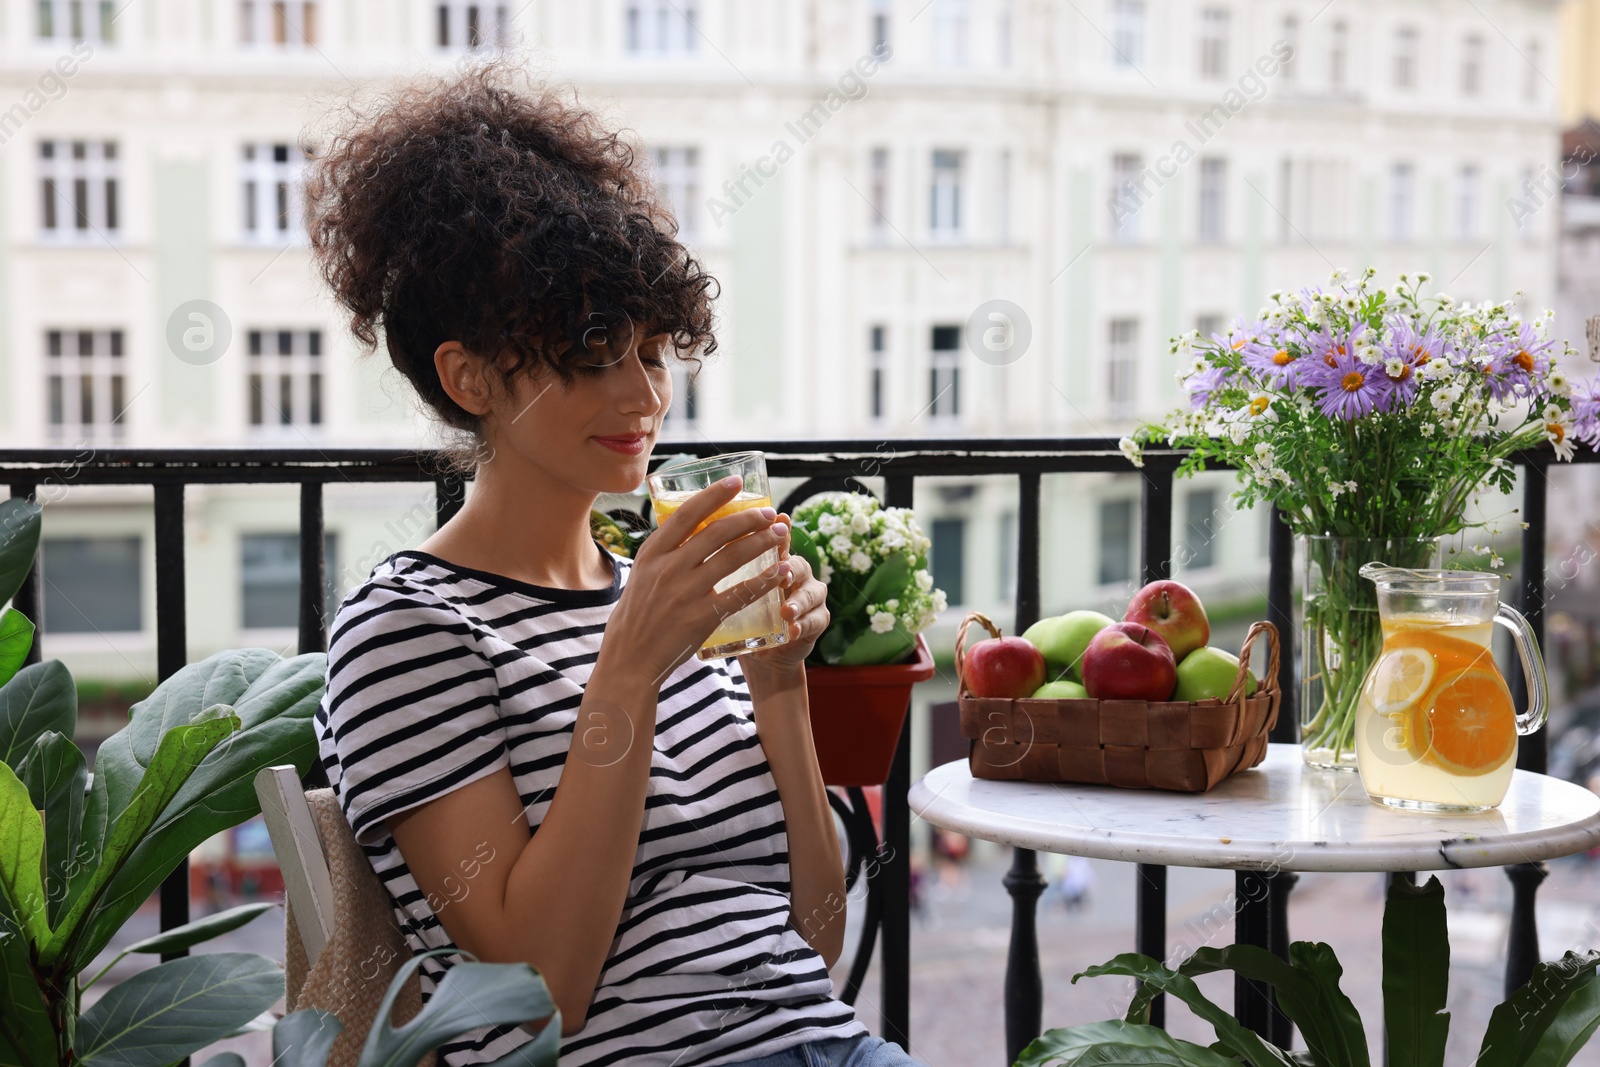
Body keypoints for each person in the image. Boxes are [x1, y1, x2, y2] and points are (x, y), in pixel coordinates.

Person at [306, 63, 929, 1067]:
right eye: (593, 353)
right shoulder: (410, 630)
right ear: (468, 376)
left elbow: (810, 945)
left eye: (654, 348)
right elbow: (544, 988)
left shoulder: (662, 593)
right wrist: (628, 669)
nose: (643, 395)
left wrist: (778, 688)